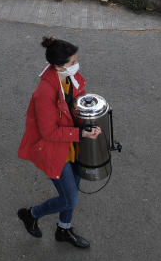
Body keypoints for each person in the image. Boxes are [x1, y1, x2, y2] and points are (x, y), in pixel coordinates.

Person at [17, 36, 102, 249]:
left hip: (71, 144)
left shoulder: (70, 78)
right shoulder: (44, 92)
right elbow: (48, 132)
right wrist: (82, 133)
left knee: (72, 189)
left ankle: (64, 229)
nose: (77, 66)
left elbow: (76, 109)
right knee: (69, 199)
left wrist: (91, 121)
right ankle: (31, 214)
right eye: (73, 63)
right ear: (58, 66)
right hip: (54, 149)